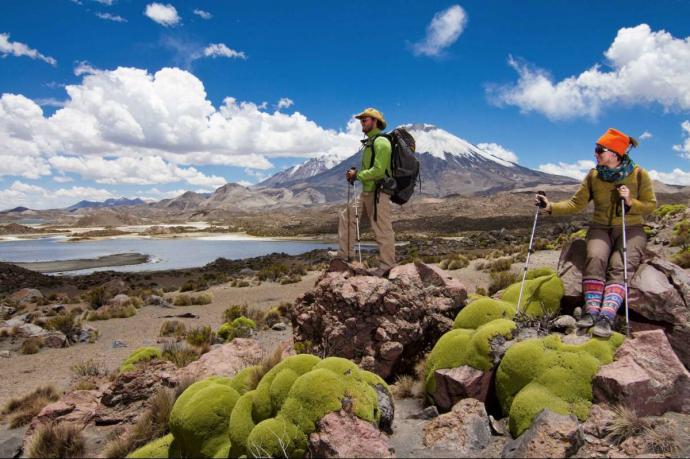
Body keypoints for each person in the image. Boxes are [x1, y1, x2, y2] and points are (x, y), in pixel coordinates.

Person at [536, 128, 657, 337]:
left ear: (614, 153)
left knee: (620, 265)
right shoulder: (594, 176)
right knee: (595, 257)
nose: (595, 154)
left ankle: (606, 316)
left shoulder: (639, 174)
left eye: (599, 150)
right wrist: (550, 207)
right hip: (600, 227)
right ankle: (591, 312)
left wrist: (630, 201)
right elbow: (576, 204)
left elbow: (651, 205)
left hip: (631, 228)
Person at [337, 107, 396, 276]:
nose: (362, 123)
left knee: (382, 230)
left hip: (379, 193)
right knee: (346, 216)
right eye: (361, 120)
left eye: (365, 120)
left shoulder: (381, 142)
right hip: (367, 191)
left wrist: (358, 175)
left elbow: (378, 170)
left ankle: (387, 267)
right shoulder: (370, 142)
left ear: (375, 121)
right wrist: (356, 176)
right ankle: (345, 255)